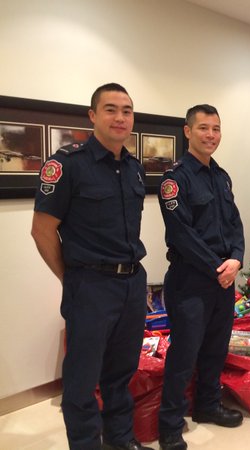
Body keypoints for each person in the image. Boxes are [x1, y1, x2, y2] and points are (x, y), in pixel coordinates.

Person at [31, 83, 151, 450]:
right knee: (82, 380)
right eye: (111, 109)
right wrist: (72, 278)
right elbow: (41, 231)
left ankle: (120, 439)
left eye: (127, 110)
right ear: (93, 116)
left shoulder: (134, 168)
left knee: (121, 373)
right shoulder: (67, 164)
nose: (120, 117)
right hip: (91, 285)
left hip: (132, 283)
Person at [157, 104, 245, 450]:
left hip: (224, 278)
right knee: (184, 355)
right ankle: (170, 425)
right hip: (191, 281)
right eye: (204, 128)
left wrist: (236, 258)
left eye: (216, 129)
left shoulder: (221, 176)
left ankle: (208, 406)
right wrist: (217, 268)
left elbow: (235, 223)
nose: (211, 135)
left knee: (215, 349)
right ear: (187, 131)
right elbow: (182, 234)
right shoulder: (174, 179)